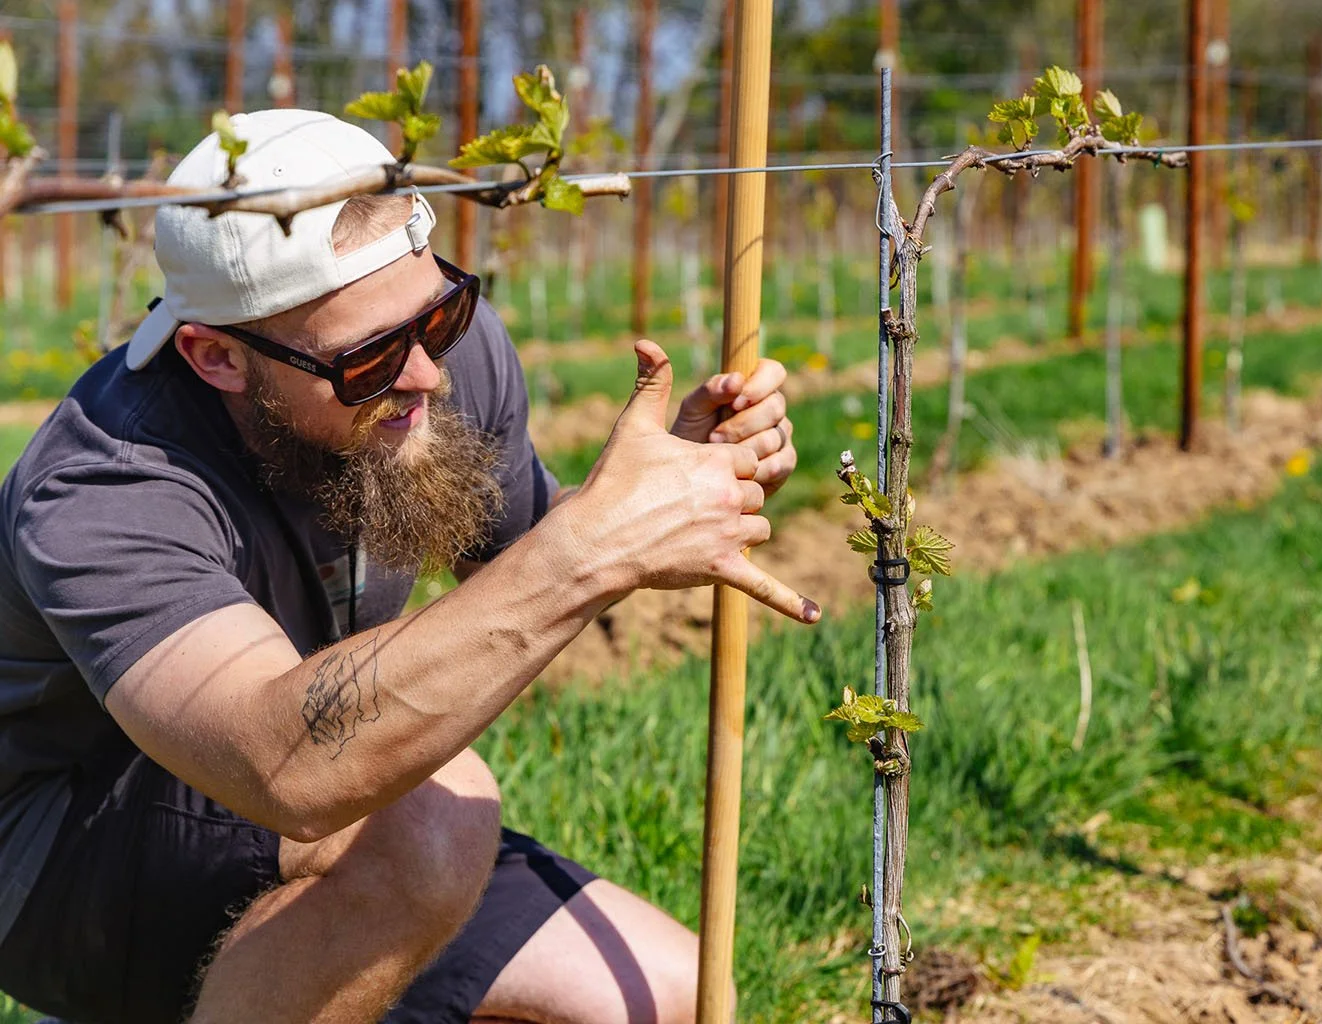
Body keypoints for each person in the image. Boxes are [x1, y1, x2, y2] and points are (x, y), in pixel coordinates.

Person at [0, 108, 817, 1024]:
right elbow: (288, 769)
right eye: (370, 359)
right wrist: (594, 547)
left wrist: (656, 499)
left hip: (312, 807)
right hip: (61, 859)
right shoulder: (105, 484)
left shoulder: (433, 356)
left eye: (441, 313)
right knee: (435, 817)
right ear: (218, 355)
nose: (426, 372)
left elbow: (520, 560)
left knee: (656, 996)